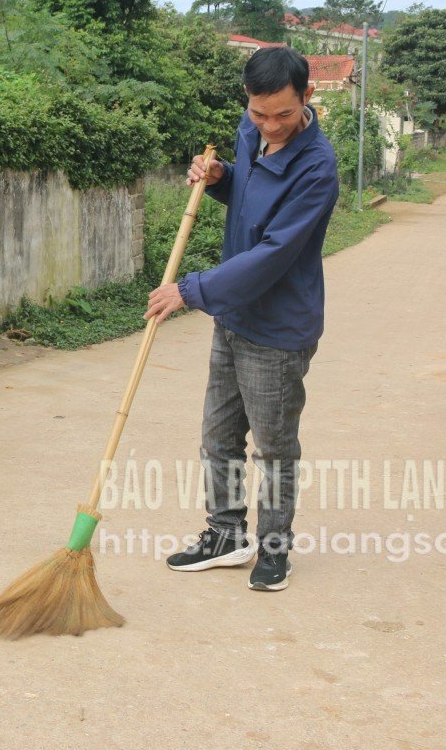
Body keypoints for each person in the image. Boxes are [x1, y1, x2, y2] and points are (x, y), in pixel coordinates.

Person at [144, 46, 339, 591]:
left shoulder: (317, 168)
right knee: (218, 436)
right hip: (233, 313)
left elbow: (275, 252)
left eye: (282, 114)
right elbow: (249, 198)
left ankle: (274, 548)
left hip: (277, 330)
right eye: (259, 114)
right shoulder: (250, 130)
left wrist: (191, 289)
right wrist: (221, 175)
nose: (270, 126)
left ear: (307, 96)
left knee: (273, 447)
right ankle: (226, 534)